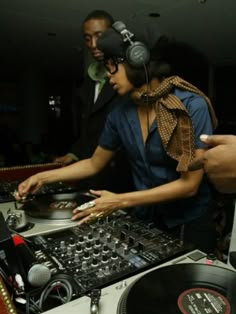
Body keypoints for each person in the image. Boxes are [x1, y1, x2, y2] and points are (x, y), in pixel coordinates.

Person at [16, 18, 218, 252]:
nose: (108, 75)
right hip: (146, 220)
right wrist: (43, 177)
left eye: (112, 65)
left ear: (137, 60)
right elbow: (93, 163)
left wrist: (120, 200)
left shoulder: (191, 107)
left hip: (189, 223)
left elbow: (189, 185)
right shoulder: (119, 115)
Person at [53, 10, 133, 192]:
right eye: (87, 38)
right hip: (90, 175)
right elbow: (89, 127)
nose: (93, 44)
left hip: (121, 181)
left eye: (99, 36)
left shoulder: (131, 78)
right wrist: (74, 153)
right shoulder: (90, 78)